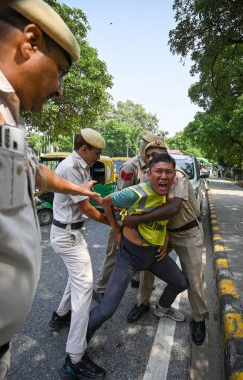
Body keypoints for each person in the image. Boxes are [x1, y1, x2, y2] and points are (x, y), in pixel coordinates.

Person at [0, 1, 89, 379]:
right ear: (29, 41)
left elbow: (32, 174)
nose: (60, 91)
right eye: (61, 72)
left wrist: (84, 191)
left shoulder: (2, 110)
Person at [87, 153, 188, 343]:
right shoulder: (137, 192)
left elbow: (164, 220)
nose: (164, 176)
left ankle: (161, 308)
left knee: (181, 283)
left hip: (154, 255)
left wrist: (165, 239)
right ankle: (76, 351)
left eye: (169, 172)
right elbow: (107, 202)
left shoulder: (171, 195)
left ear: (175, 175)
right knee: (107, 309)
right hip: (130, 256)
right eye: (159, 171)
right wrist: (117, 231)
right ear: (149, 174)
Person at [124, 142, 209, 345]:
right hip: (162, 231)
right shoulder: (145, 177)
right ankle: (142, 303)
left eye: (159, 154)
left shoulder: (175, 175)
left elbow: (172, 208)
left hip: (187, 231)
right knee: (147, 268)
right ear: (146, 158)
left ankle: (198, 318)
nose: (161, 172)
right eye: (150, 154)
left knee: (194, 276)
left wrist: (136, 221)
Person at [49, 128, 110, 380]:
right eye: (96, 152)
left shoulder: (82, 165)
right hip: (68, 236)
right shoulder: (71, 167)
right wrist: (112, 222)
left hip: (70, 234)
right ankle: (75, 358)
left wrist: (108, 204)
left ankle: (60, 316)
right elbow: (84, 207)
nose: (98, 157)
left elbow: (87, 197)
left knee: (76, 280)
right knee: (84, 291)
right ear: (84, 148)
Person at [93, 132, 160, 302]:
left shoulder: (153, 165)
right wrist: (119, 227)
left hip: (142, 220)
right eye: (153, 151)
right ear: (145, 150)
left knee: (143, 251)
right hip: (125, 218)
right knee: (114, 253)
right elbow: (120, 199)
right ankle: (100, 288)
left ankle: (137, 281)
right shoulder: (130, 167)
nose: (156, 155)